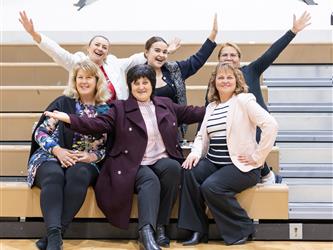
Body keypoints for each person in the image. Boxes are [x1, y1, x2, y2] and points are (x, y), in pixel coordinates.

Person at [44, 64, 206, 250]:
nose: (141, 87)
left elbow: (194, 112)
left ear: (152, 84)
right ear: (130, 86)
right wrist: (69, 118)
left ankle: (161, 227)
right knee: (150, 180)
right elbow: (96, 123)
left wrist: (219, 106)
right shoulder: (119, 107)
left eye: (145, 82)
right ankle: (146, 234)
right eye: (136, 83)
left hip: (160, 160)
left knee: (173, 168)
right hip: (132, 164)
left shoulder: (165, 104)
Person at [178, 63, 278, 246]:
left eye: (229, 77)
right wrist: (195, 153)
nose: (225, 81)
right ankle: (197, 231)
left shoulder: (244, 100)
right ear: (214, 82)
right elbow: (201, 136)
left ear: (236, 81)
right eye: (220, 78)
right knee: (189, 172)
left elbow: (271, 125)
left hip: (242, 166)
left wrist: (257, 157)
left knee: (211, 187)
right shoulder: (211, 107)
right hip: (215, 163)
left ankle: (243, 227)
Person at [207, 11, 311, 184]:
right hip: (233, 129)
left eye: (233, 55)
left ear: (239, 60)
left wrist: (292, 31)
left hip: (256, 129)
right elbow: (209, 110)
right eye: (224, 55)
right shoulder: (216, 80)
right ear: (219, 60)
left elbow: (271, 53)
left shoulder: (251, 70)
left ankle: (266, 175)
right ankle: (262, 174)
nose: (229, 58)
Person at [28, 60, 110, 250]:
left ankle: (54, 235)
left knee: (79, 175)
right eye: (80, 77)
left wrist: (93, 157)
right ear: (74, 80)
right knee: (53, 175)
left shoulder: (106, 110)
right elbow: (40, 133)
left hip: (85, 159)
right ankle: (55, 239)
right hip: (51, 154)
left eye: (88, 77)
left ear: (97, 81)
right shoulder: (63, 102)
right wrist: (57, 150)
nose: (84, 81)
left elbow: (110, 144)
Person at [18, 11, 180, 103]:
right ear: (89, 48)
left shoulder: (115, 64)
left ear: (107, 52)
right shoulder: (79, 62)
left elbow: (141, 57)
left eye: (104, 47)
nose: (100, 48)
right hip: (87, 114)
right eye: (97, 45)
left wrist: (166, 51)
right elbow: (58, 52)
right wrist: (35, 34)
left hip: (114, 114)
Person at [144, 14, 218, 136]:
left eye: (165, 52)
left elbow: (197, 60)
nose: (161, 55)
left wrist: (213, 35)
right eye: (157, 51)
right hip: (145, 130)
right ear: (146, 52)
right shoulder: (137, 74)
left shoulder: (174, 69)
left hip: (173, 130)